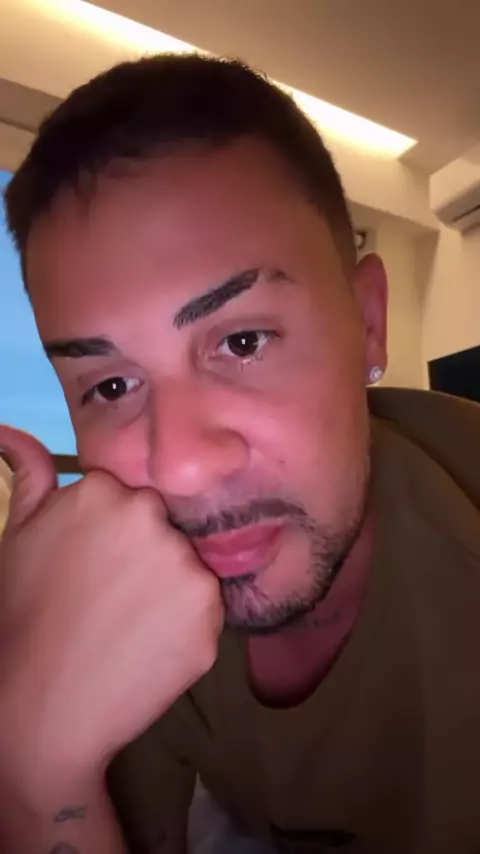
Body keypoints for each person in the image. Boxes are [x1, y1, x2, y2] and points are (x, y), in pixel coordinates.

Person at [0, 53, 479, 854]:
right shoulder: (108, 588)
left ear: (368, 324)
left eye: (244, 341)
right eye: (111, 386)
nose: (181, 469)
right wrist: (32, 770)